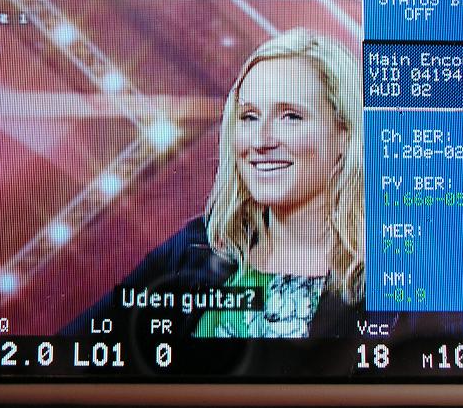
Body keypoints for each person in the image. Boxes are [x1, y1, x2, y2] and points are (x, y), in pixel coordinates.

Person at [61, 27, 365, 339]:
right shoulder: (195, 249)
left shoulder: (381, 282)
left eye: (290, 117)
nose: (261, 141)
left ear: (344, 134)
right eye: (249, 117)